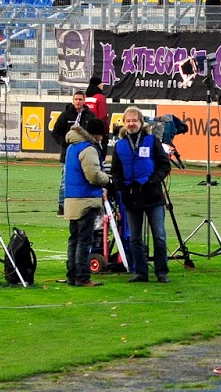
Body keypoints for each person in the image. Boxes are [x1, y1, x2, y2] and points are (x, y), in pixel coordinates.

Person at [109, 106, 172, 283]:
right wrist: (121, 186)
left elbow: (164, 165)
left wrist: (152, 181)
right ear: (124, 122)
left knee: (159, 235)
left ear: (141, 122)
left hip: (152, 195)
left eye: (134, 120)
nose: (131, 124)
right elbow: (116, 170)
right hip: (131, 197)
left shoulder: (152, 141)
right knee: (134, 237)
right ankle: (141, 272)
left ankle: (161, 272)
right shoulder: (120, 145)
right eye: (128, 121)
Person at [63, 115, 113, 286]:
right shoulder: (89, 149)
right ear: (97, 134)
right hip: (85, 198)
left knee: (74, 239)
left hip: (71, 198)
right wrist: (108, 179)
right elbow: (93, 176)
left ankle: (72, 275)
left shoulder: (71, 147)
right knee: (84, 240)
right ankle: (83, 277)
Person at [51, 90, 92, 214]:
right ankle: (62, 205)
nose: (78, 102)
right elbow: (55, 132)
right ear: (73, 100)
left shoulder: (90, 115)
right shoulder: (65, 115)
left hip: (85, 153)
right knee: (65, 180)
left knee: (85, 177)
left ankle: (81, 204)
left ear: (84, 100)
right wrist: (65, 143)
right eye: (76, 99)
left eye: (80, 99)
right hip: (68, 154)